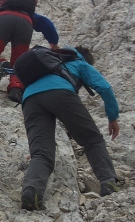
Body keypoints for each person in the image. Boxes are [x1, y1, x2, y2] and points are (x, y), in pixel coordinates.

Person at [19, 46, 121, 211]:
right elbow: (104, 87)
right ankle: (110, 183)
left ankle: (32, 192)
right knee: (92, 139)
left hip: (30, 99)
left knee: (41, 153)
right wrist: (113, 117)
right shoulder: (79, 63)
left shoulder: (50, 63)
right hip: (60, 93)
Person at [0, 0, 60, 103]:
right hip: (25, 23)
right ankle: (16, 89)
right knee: (18, 61)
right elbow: (46, 23)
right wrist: (53, 42)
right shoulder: (27, 11)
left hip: (3, 20)